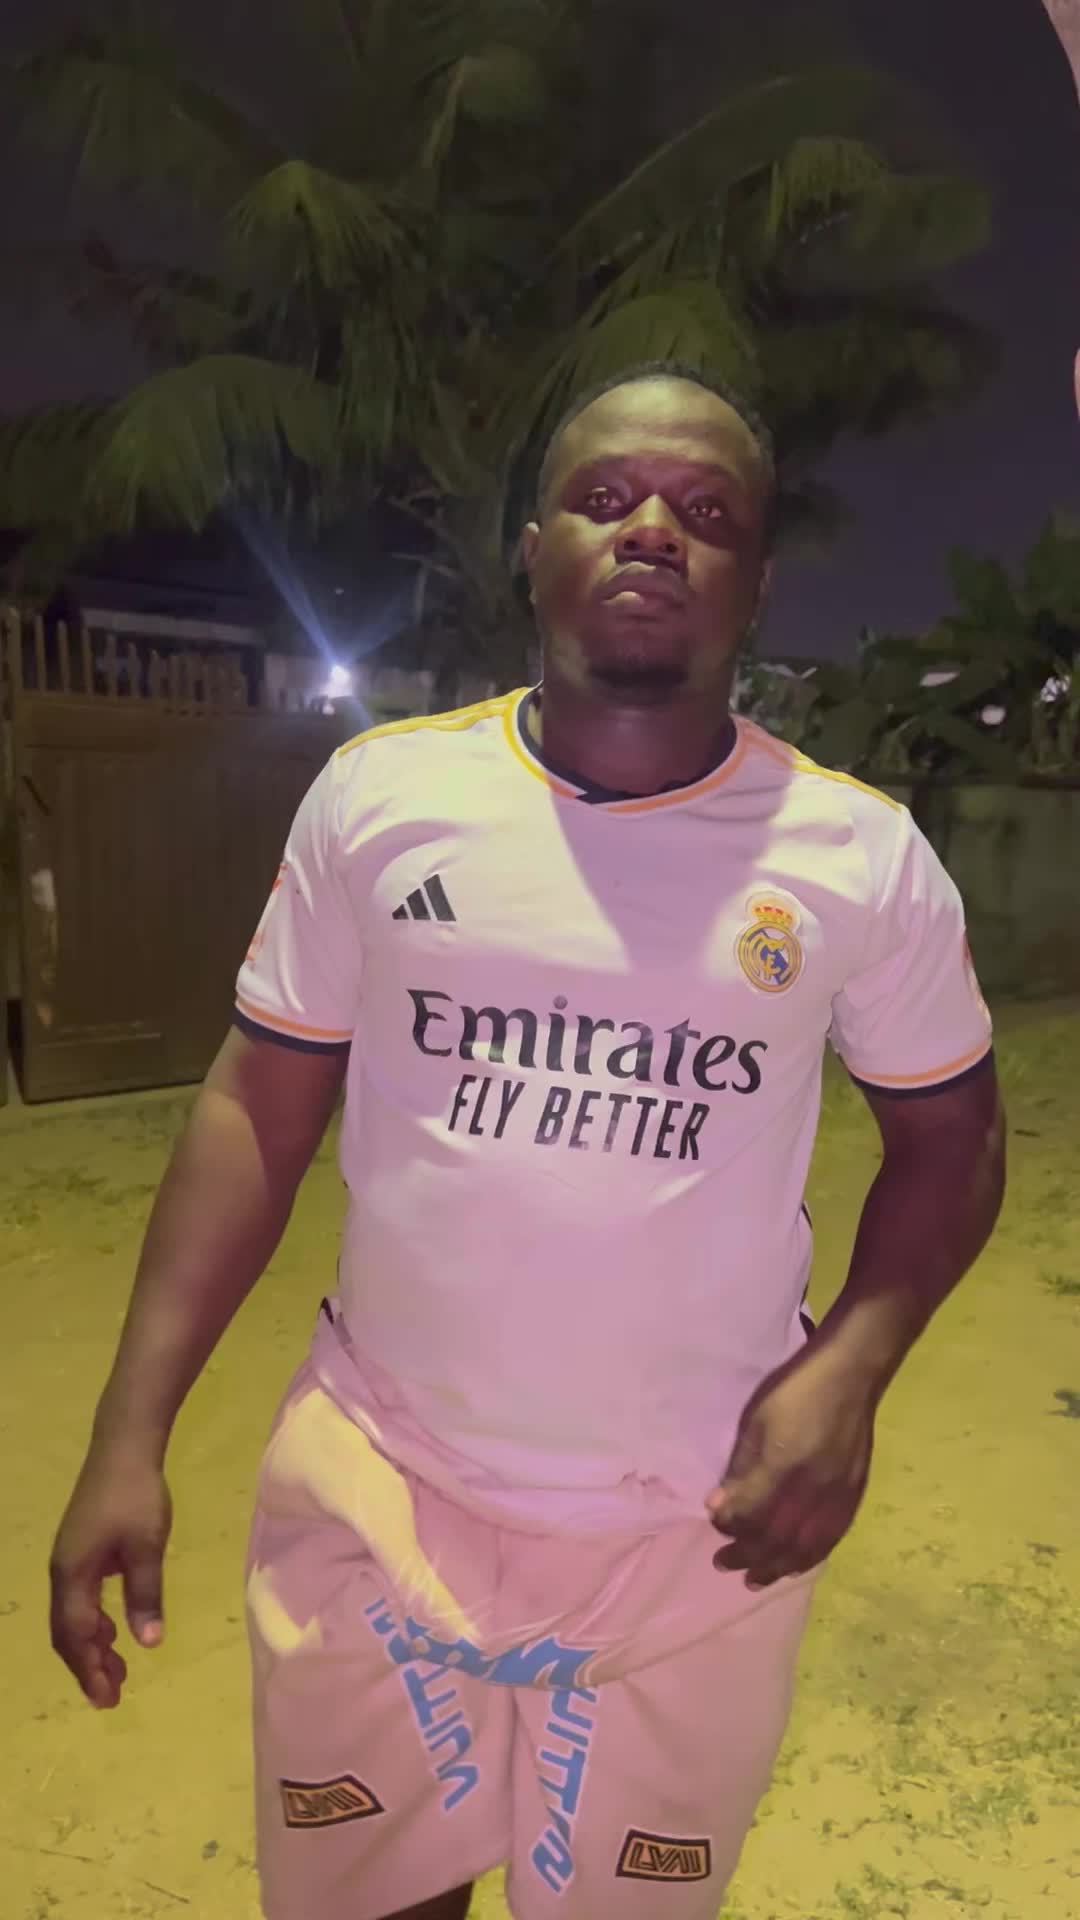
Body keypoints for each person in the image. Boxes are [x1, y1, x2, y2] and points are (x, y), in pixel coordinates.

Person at [49, 363, 1005, 1920]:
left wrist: (852, 1366)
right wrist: (125, 1436)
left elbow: (953, 1139)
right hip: (385, 1482)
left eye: (707, 513)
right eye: (605, 497)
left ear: (758, 580)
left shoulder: (857, 857)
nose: (653, 530)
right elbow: (254, 1107)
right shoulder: (383, 797)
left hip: (695, 1528)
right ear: (534, 546)